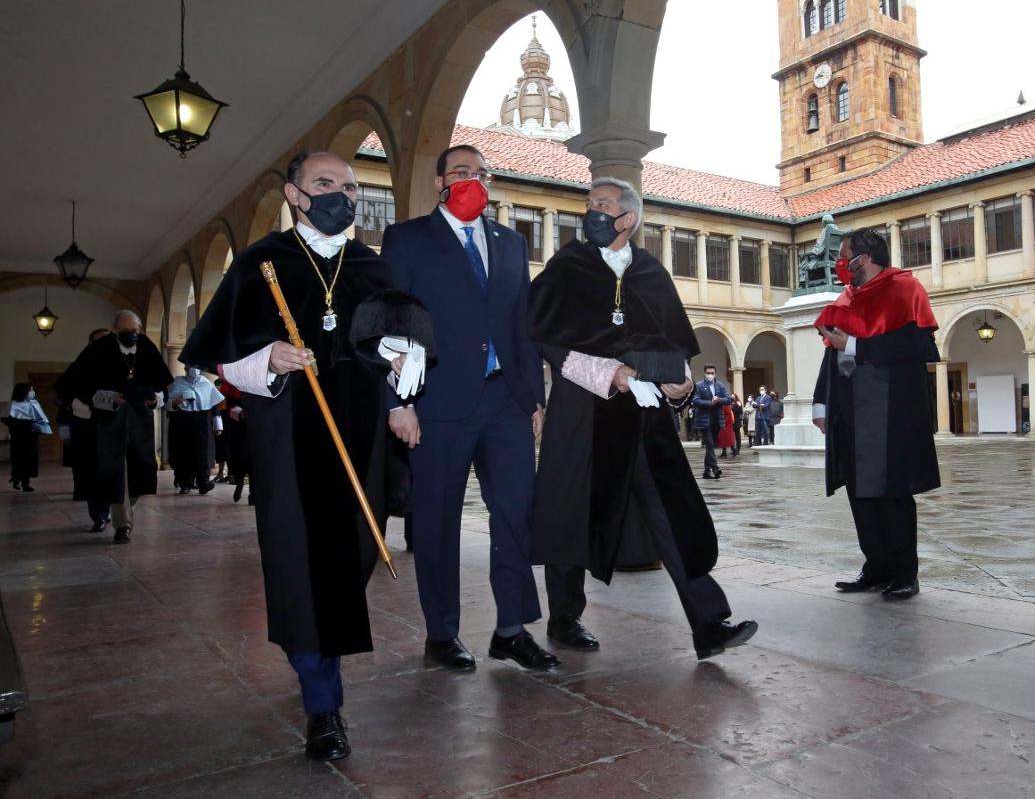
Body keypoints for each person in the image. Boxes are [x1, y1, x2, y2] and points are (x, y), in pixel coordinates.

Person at [181, 151, 434, 762]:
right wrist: (266, 358)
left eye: (349, 186)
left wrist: (404, 381)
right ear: (294, 194)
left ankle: (325, 676)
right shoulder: (259, 264)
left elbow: (399, 346)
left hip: (360, 440)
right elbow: (221, 355)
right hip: (289, 441)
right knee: (301, 569)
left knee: (347, 562)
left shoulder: (372, 267)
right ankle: (323, 704)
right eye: (325, 184)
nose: (340, 195)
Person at [530, 176, 757, 660]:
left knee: (672, 513)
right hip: (582, 410)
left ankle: (709, 623)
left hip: (644, 417)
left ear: (627, 219)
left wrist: (682, 387)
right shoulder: (567, 266)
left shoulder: (652, 272)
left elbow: (674, 347)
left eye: (602, 204)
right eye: (588, 203)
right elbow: (547, 339)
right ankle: (565, 617)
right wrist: (609, 372)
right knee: (571, 512)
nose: (590, 210)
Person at [382, 144, 556, 672]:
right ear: (440, 181)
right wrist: (399, 401)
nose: (473, 180)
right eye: (461, 172)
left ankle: (511, 629)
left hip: (506, 400)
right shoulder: (408, 238)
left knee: (515, 512)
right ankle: (442, 632)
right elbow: (395, 323)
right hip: (436, 399)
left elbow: (522, 325)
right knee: (437, 519)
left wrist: (534, 399)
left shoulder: (509, 243)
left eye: (482, 173)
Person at [811, 228, 940, 602]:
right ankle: (876, 567)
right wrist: (822, 402)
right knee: (860, 492)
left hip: (889, 410)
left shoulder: (905, 289)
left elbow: (917, 345)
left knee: (893, 493)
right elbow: (832, 353)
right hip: (850, 409)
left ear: (863, 257)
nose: (840, 261)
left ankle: (904, 573)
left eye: (845, 253)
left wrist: (853, 343)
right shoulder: (847, 296)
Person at [63, 310, 173, 544]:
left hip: (139, 419)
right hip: (107, 422)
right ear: (115, 330)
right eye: (125, 331)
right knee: (117, 470)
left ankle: (124, 509)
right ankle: (122, 525)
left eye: (135, 331)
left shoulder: (146, 346)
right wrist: (103, 397)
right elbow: (73, 383)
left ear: (140, 329)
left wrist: (156, 398)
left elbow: (162, 383)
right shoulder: (98, 349)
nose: (131, 335)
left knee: (142, 467)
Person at [56, 328, 114, 530]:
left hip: (113, 425)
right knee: (91, 470)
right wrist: (78, 403)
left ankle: (109, 510)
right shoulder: (80, 366)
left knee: (112, 470)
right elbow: (63, 389)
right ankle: (98, 514)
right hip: (87, 424)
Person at [165, 366, 224, 495]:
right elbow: (167, 404)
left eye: (196, 366)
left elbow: (214, 405)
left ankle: (203, 483)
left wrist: (218, 424)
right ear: (186, 368)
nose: (194, 369)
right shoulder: (178, 382)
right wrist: (175, 402)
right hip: (182, 421)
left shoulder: (206, 383)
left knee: (203, 453)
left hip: (202, 421)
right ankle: (185, 483)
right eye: (191, 366)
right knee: (183, 452)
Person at [4, 384, 51, 491]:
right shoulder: (13, 404)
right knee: (19, 459)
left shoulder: (34, 403)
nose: (33, 392)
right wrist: (24, 424)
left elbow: (41, 417)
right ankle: (16, 478)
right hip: (19, 437)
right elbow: (7, 419)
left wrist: (39, 426)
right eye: (30, 390)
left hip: (31, 437)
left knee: (30, 460)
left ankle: (26, 482)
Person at [216, 374, 252, 504]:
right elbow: (223, 407)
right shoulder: (229, 386)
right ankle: (239, 482)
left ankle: (253, 493)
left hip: (253, 426)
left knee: (254, 459)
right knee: (239, 457)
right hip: (237, 427)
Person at [692, 365, 729, 479]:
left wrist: (719, 400)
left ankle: (706, 471)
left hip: (717, 419)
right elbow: (695, 400)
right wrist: (709, 403)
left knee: (710, 446)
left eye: (712, 373)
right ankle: (715, 468)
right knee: (710, 444)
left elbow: (728, 399)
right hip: (704, 420)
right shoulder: (699, 385)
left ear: (715, 373)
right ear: (704, 373)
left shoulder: (720, 385)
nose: (710, 375)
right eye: (708, 373)